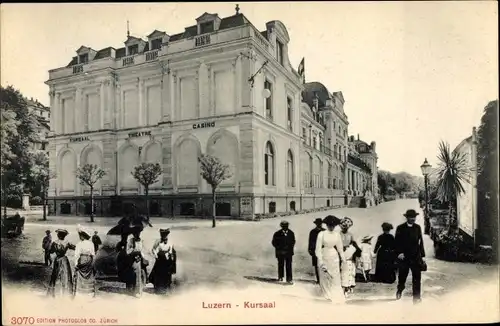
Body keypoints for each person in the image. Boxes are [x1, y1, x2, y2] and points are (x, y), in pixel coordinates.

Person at [395, 209, 426, 304]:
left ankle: (416, 298)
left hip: (416, 256)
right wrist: (399, 253)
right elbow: (397, 242)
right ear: (407, 218)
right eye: (411, 217)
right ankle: (400, 289)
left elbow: (420, 242)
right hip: (404, 257)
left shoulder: (417, 228)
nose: (413, 219)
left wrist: (422, 255)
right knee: (402, 276)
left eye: (414, 217)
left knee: (417, 278)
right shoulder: (400, 228)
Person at [315, 215, 346, 304]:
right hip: (324, 255)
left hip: (334, 256)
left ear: (335, 225)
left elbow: (340, 248)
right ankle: (326, 295)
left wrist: (343, 259)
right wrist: (320, 260)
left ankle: (335, 295)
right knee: (324, 276)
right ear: (327, 225)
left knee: (335, 276)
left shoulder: (337, 235)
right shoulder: (322, 234)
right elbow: (318, 248)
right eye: (329, 225)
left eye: (333, 225)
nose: (331, 227)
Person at [47, 229, 75, 297]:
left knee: (56, 275)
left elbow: (51, 251)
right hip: (64, 260)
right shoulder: (67, 242)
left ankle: (55, 293)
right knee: (65, 275)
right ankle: (65, 293)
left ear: (58, 235)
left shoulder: (55, 243)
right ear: (64, 236)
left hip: (58, 259)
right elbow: (75, 247)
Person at [149, 228, 177, 294]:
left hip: (167, 260)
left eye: (165, 234)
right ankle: (158, 289)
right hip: (160, 259)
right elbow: (153, 249)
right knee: (158, 274)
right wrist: (156, 255)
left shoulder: (170, 241)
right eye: (162, 234)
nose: (163, 236)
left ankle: (166, 289)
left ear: (167, 235)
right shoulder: (158, 241)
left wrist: (171, 257)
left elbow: (171, 251)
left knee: (167, 274)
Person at [339, 217, 361, 295]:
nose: (345, 228)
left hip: (349, 254)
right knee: (343, 271)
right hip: (341, 254)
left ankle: (349, 286)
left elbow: (354, 244)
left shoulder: (350, 235)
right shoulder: (338, 234)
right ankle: (344, 287)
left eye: (347, 227)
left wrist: (355, 250)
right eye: (344, 226)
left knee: (350, 271)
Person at [73, 225, 96, 297]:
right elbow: (93, 254)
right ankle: (89, 292)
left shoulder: (79, 244)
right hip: (89, 260)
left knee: (80, 275)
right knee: (89, 276)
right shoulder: (91, 243)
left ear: (82, 236)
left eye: (80, 235)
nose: (79, 237)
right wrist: (92, 263)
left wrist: (76, 265)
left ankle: (80, 292)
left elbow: (76, 255)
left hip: (82, 260)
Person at [126, 224, 148, 297]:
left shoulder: (142, 240)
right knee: (135, 274)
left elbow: (144, 250)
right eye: (135, 233)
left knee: (142, 274)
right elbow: (127, 252)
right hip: (133, 259)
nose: (137, 234)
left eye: (138, 233)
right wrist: (133, 248)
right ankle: (135, 291)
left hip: (140, 258)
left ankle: (140, 290)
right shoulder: (130, 241)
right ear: (133, 234)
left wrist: (143, 256)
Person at [271, 220, 296, 284]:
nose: (285, 227)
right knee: (281, 265)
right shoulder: (277, 233)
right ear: (281, 226)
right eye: (284, 226)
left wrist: (289, 247)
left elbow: (293, 241)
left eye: (286, 225)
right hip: (280, 252)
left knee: (289, 265)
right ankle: (280, 277)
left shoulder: (291, 233)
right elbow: (274, 242)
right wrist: (279, 248)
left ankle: (289, 279)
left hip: (288, 252)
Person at [308, 218, 325, 284]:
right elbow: (310, 241)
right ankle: (318, 279)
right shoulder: (312, 232)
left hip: (323, 250)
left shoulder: (324, 231)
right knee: (316, 265)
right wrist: (310, 250)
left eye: (320, 223)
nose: (319, 224)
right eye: (318, 223)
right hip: (315, 250)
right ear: (316, 224)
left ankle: (323, 279)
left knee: (323, 264)